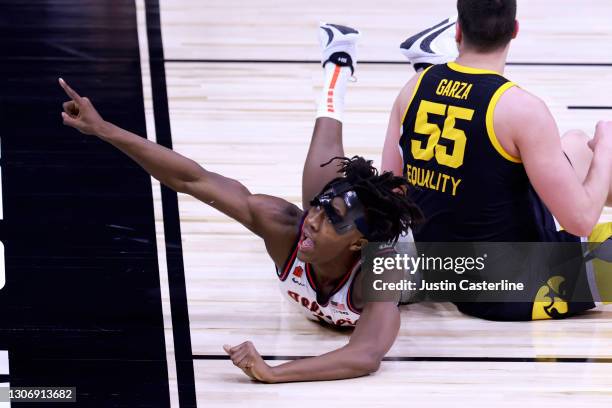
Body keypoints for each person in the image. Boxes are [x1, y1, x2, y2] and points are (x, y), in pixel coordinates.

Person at [58, 23, 421, 383]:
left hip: (404, 247)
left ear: (358, 243)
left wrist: (273, 372)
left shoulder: (381, 271)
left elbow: (365, 355)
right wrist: (105, 129)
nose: (311, 221)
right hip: (349, 228)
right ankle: (337, 65)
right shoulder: (284, 226)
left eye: (331, 221)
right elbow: (191, 179)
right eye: (318, 212)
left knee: (444, 242)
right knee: (329, 186)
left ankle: (428, 72)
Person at [381, 0, 612, 321]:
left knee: (574, 142)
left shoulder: (413, 88)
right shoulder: (521, 108)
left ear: (458, 32)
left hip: (439, 268)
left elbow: (389, 192)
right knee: (595, 156)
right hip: (509, 287)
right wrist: (606, 150)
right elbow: (581, 220)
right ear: (514, 31)